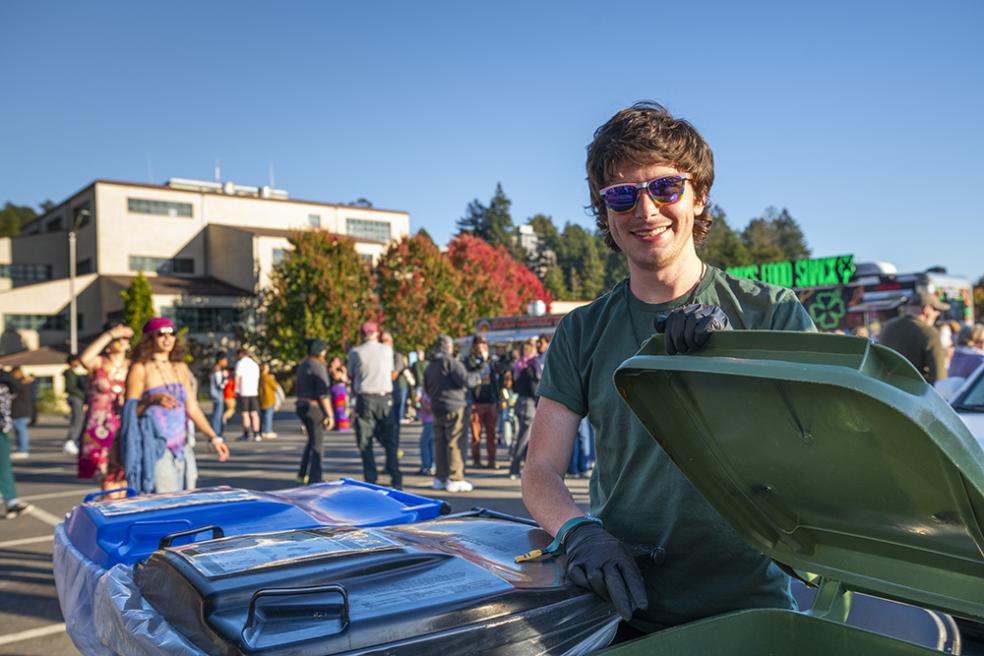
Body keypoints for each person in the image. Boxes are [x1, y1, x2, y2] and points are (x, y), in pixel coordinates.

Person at [522, 102, 815, 632]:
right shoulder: (582, 330)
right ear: (605, 213)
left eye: (665, 188)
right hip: (622, 606)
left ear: (698, 196)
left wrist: (735, 363)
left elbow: (816, 450)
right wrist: (577, 532)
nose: (646, 210)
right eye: (621, 195)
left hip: (751, 605)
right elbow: (540, 469)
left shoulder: (770, 312)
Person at [123, 317, 229, 493]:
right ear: (150, 338)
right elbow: (130, 412)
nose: (167, 338)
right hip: (156, 446)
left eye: (171, 333)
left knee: (187, 499)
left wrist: (214, 437)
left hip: (182, 446)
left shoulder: (180, 367)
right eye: (161, 334)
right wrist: (151, 400)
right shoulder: (140, 368)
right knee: (166, 502)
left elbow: (192, 408)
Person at [77, 323, 133, 491]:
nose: (122, 341)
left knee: (126, 476)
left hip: (125, 424)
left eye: (125, 338)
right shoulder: (98, 363)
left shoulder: (133, 365)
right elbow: (84, 359)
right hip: (101, 428)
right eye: (117, 338)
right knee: (106, 480)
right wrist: (110, 334)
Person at [423, 334, 481, 492]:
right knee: (455, 442)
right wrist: (478, 377)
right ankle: (455, 478)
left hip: (437, 406)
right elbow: (467, 381)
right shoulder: (450, 362)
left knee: (440, 443)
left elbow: (426, 388)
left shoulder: (430, 366)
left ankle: (440, 478)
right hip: (455, 406)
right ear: (448, 347)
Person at [348, 322, 402, 489]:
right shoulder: (387, 350)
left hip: (365, 397)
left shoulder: (356, 352)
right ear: (376, 333)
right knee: (391, 440)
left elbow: (351, 373)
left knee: (365, 440)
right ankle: (396, 477)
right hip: (385, 397)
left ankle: (371, 478)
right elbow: (390, 371)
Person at [878, 290, 949, 384]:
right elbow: (940, 380)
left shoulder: (888, 328)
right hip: (917, 395)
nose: (938, 314)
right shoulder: (930, 334)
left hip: (888, 393)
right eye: (936, 310)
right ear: (926, 309)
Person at [295, 339, 335, 485]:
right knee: (318, 444)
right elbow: (322, 394)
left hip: (301, 404)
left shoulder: (302, 365)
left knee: (311, 441)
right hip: (314, 407)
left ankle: (302, 473)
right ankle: (315, 478)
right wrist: (330, 414)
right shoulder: (318, 367)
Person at [507, 339, 541, 480]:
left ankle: (526, 469)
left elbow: (514, 387)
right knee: (524, 438)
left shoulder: (518, 366)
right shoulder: (531, 367)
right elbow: (535, 388)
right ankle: (514, 468)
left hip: (520, 402)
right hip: (529, 404)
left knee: (527, 438)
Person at [0, 368, 32, 518]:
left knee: (4, 466)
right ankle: (11, 502)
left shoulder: (5, 383)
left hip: (2, 430)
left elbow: (17, 387)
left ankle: (11, 502)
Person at [466, 335, 500, 469]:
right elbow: (472, 372)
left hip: (491, 401)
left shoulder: (491, 361)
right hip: (477, 401)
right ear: (474, 347)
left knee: (491, 434)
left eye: (484, 345)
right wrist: (482, 360)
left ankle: (492, 460)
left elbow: (497, 378)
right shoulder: (470, 361)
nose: (482, 347)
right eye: (479, 345)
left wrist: (497, 399)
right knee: (476, 434)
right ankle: (476, 460)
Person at [234, 348, 261, 442]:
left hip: (244, 391)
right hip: (254, 391)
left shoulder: (240, 363)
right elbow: (257, 378)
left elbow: (237, 377)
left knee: (245, 413)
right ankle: (257, 433)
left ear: (240, 354)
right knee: (254, 413)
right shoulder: (255, 364)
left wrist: (236, 389)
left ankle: (246, 433)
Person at [62, 354, 87, 456]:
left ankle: (72, 441)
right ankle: (71, 441)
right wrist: (82, 395)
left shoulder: (73, 373)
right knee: (78, 419)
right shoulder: (70, 373)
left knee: (78, 419)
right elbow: (72, 388)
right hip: (76, 398)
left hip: (77, 398)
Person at [9, 367, 33, 459]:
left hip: (20, 411)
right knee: (18, 431)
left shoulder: (21, 384)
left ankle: (23, 450)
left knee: (21, 431)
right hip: (19, 411)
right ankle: (22, 449)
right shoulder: (22, 383)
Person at [208, 354, 230, 438]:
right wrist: (225, 378)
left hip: (215, 395)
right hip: (217, 395)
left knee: (216, 415)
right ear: (220, 360)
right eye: (225, 360)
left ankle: (216, 433)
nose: (226, 362)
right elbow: (220, 385)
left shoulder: (215, 369)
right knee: (217, 415)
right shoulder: (217, 370)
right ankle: (217, 434)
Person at [328, 356, 351, 430]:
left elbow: (345, 379)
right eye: (334, 361)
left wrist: (344, 372)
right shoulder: (330, 369)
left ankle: (342, 425)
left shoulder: (343, 369)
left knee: (341, 408)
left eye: (337, 361)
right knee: (333, 407)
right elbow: (336, 376)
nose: (335, 363)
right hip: (333, 390)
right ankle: (333, 424)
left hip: (341, 391)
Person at [259, 362, 280, 439]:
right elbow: (275, 386)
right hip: (269, 398)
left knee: (263, 416)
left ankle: (262, 431)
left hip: (262, 399)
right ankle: (268, 431)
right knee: (268, 416)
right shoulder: (267, 377)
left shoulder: (260, 377)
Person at [417, 391, 435, 475]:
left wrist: (422, 402)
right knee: (430, 444)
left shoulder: (431, 393)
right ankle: (431, 465)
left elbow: (430, 409)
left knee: (424, 443)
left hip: (431, 421)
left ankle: (427, 466)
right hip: (427, 421)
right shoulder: (426, 393)